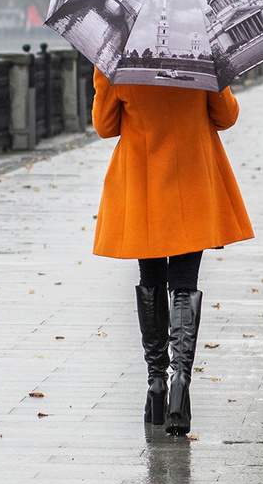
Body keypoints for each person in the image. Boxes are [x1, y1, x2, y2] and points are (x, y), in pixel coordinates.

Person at [91, 68, 254, 436]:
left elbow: (104, 124)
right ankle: (180, 381)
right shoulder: (197, 52)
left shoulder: (120, 60)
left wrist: (105, 80)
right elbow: (226, 116)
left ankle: (155, 384)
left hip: (143, 180)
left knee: (150, 278)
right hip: (192, 176)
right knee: (184, 283)